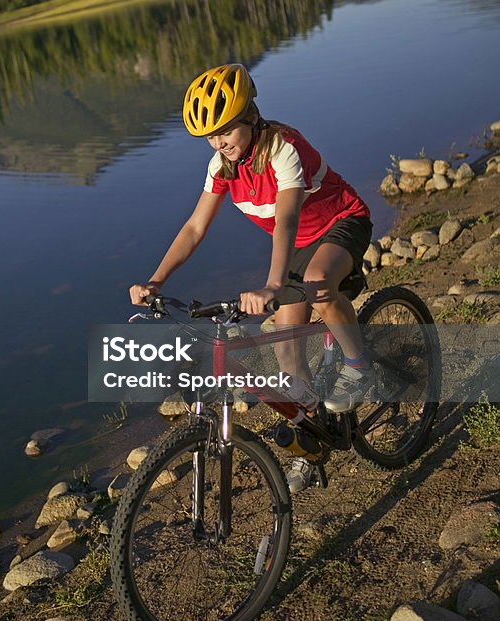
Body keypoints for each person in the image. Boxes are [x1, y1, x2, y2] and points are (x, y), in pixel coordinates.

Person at [129, 63, 375, 493]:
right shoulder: (221, 167)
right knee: (285, 342)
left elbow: (286, 220)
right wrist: (156, 281)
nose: (219, 141)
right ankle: (311, 440)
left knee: (317, 285)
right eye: (211, 135)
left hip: (340, 222)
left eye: (227, 130)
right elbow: (194, 228)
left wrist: (274, 285)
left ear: (251, 116)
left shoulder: (284, 149)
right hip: (299, 243)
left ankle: (359, 365)